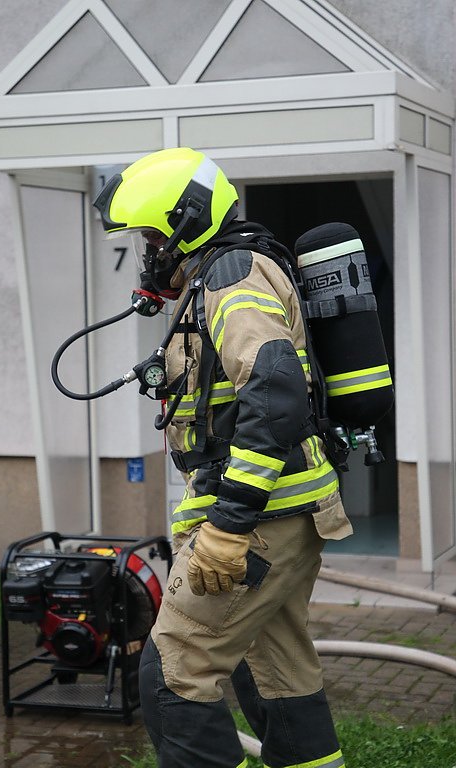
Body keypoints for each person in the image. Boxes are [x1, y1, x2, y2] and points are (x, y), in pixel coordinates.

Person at [94, 147, 352, 768]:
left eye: (152, 237)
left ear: (185, 223)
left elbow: (274, 390)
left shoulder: (232, 274)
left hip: (261, 524)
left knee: (172, 675)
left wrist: (229, 525)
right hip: (286, 518)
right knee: (278, 677)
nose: (149, 253)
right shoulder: (227, 273)